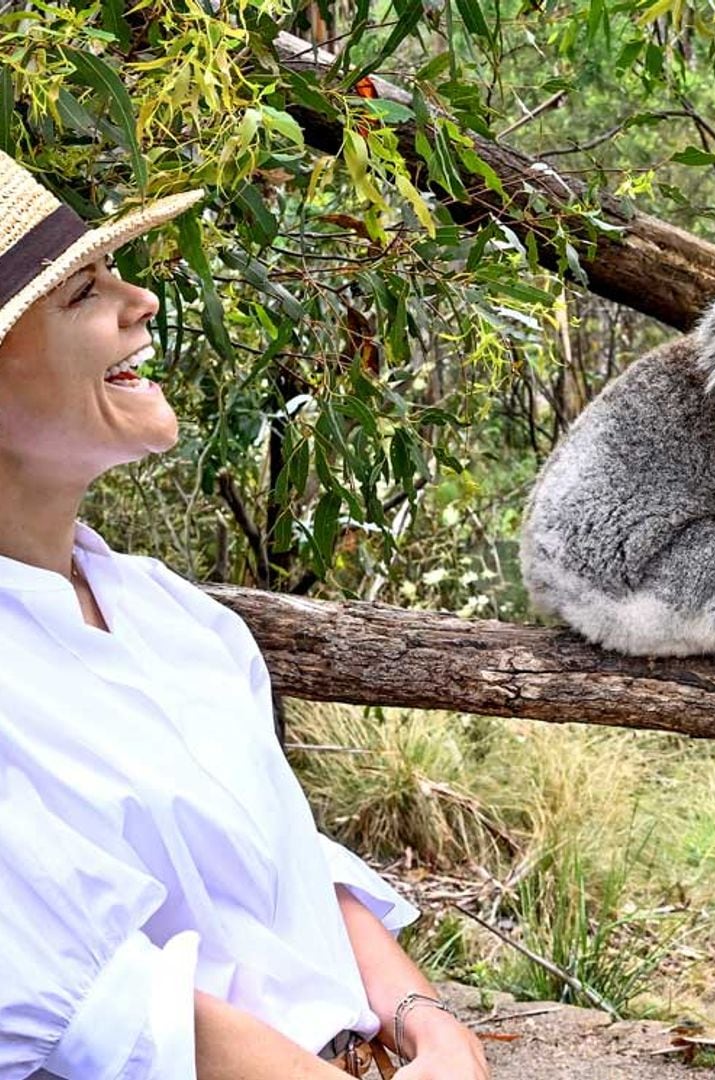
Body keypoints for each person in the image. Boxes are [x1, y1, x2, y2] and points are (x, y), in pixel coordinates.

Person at [0, 151, 490, 1080]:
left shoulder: (177, 617)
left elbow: (281, 865)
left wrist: (429, 1025)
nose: (140, 301)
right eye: (82, 293)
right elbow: (95, 1008)